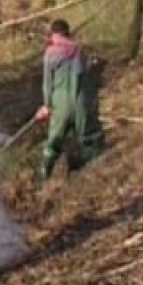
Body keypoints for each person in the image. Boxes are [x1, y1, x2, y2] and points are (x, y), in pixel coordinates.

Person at [35, 19, 104, 179]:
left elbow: (47, 84)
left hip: (60, 105)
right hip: (80, 102)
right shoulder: (78, 50)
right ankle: (85, 168)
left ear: (53, 34)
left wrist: (46, 106)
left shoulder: (50, 54)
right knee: (90, 138)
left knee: (53, 143)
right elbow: (86, 77)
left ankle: (44, 175)